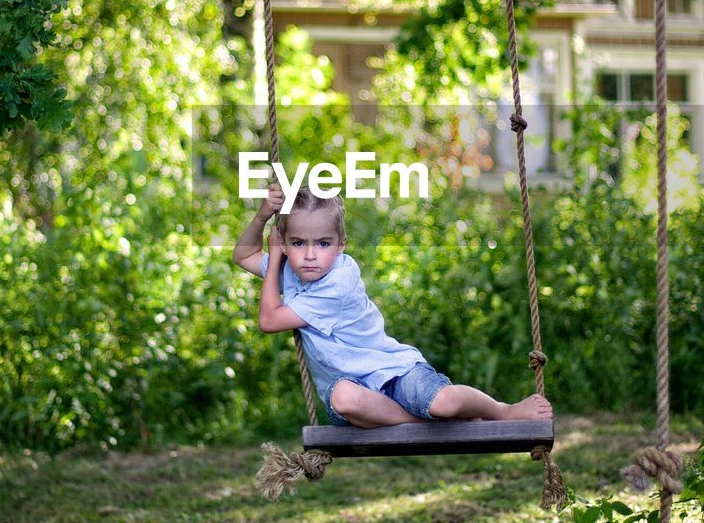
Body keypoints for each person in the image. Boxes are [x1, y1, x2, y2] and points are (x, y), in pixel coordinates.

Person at [232, 182, 553, 428]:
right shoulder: (290, 269)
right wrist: (262, 216)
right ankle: (420, 425)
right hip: (357, 396)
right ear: (286, 242)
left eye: (323, 243)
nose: (311, 254)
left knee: (445, 402)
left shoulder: (336, 282)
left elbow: (268, 321)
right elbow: (243, 255)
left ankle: (502, 411)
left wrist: (275, 257)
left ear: (341, 245)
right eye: (299, 243)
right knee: (342, 397)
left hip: (393, 371)